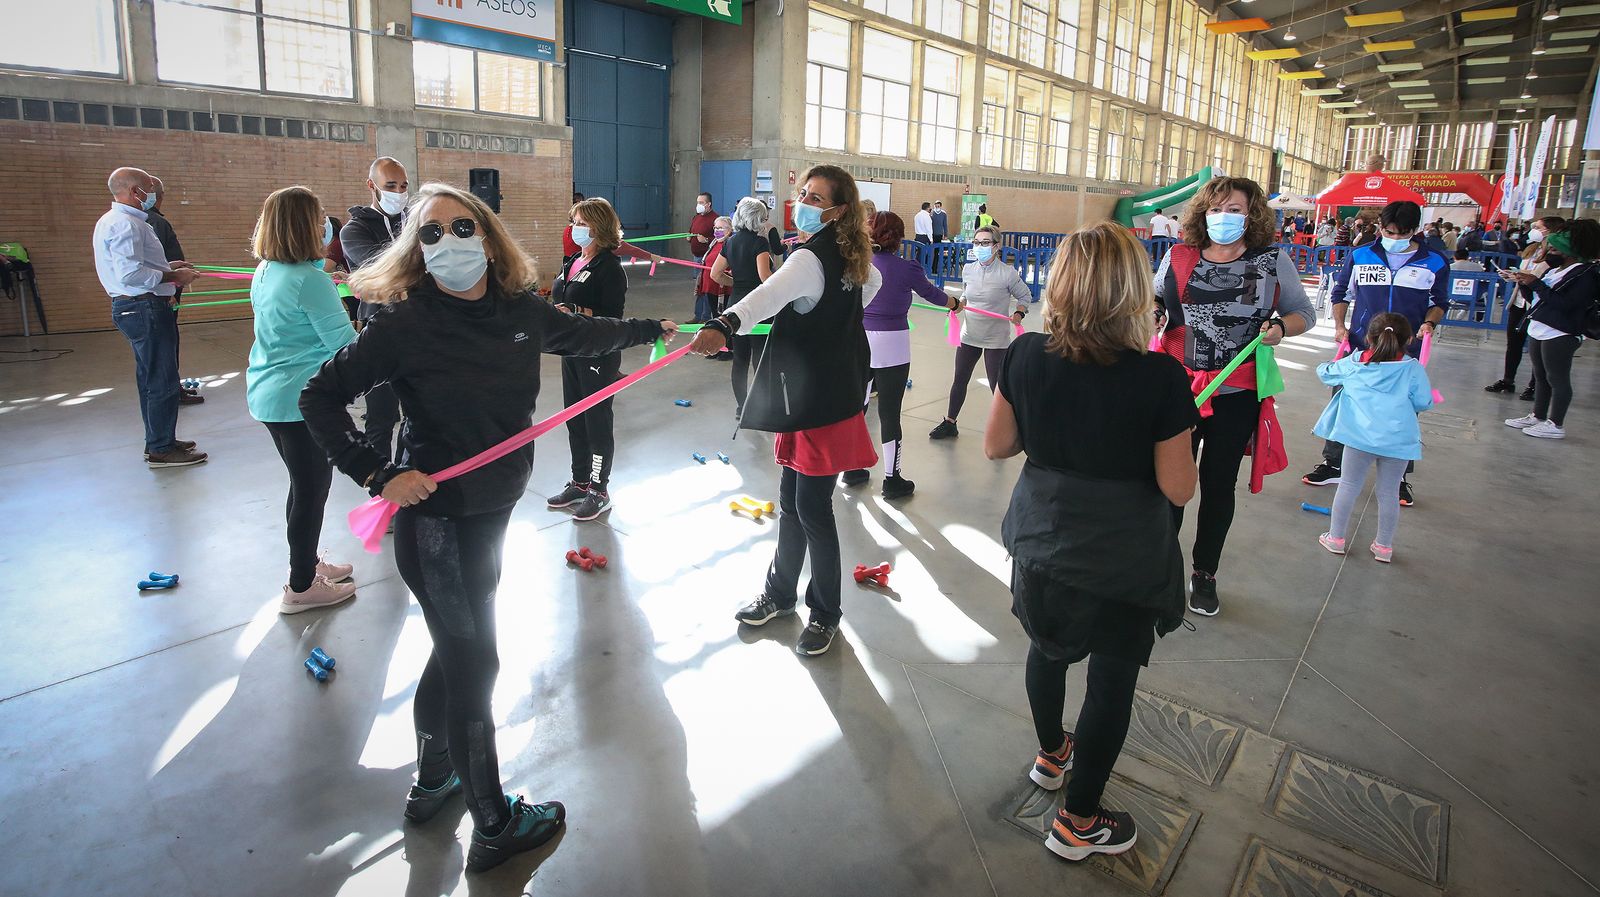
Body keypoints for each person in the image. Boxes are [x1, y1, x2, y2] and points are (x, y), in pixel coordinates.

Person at [300, 182, 673, 872]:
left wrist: (660, 331)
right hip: (434, 520)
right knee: (476, 660)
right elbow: (318, 396)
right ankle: (494, 824)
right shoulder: (403, 324)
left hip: (492, 512)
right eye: (431, 233)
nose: (448, 242)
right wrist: (377, 473)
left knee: (453, 651)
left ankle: (434, 778)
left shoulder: (520, 311)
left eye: (461, 226)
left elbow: (588, 334)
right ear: (416, 249)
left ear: (488, 235)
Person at [983, 222, 1197, 863]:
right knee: (1110, 680)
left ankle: (1052, 756)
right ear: (1134, 293)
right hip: (1121, 559)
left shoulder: (1025, 356)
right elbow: (1179, 489)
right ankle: (1079, 820)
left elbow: (998, 445)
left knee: (1046, 651)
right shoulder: (1160, 378)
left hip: (1043, 542)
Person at [688, 165, 883, 657]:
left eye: (815, 197)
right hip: (819, 399)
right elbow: (868, 290)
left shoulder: (809, 260)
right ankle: (779, 594)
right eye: (802, 193)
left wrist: (722, 324)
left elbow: (763, 298)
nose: (803, 203)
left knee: (813, 510)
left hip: (819, 406)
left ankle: (826, 613)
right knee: (793, 503)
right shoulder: (853, 259)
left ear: (838, 211)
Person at [1152, 176, 1314, 617]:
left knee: (1218, 483)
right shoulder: (1179, 256)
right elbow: (1156, 301)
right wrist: (1152, 312)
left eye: (1236, 209)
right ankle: (1161, 568)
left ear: (1252, 214)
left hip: (1236, 391)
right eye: (1217, 208)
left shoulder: (1271, 261)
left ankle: (1204, 573)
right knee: (1169, 482)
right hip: (1180, 387)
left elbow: (1305, 312)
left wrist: (1281, 329)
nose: (1225, 216)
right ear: (1203, 212)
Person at [245, 186, 359, 612]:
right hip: (298, 400)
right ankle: (300, 586)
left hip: (271, 393)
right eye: (319, 217)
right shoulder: (308, 281)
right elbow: (346, 346)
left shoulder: (267, 270)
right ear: (303, 225)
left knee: (302, 484)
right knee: (312, 490)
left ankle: (307, 565)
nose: (324, 225)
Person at [1302, 200, 1446, 507]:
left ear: (1415, 230)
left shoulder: (1434, 261)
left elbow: (1439, 300)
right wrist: (1340, 325)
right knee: (1344, 401)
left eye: (1402, 232)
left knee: (1403, 412)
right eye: (1389, 230)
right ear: (1380, 226)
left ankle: (1399, 477)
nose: (1394, 237)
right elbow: (1341, 293)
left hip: (1406, 353)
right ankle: (1334, 463)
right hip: (1361, 346)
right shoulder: (1361, 255)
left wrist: (1429, 323)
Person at [843, 211, 961, 498]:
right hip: (893, 345)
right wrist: (955, 303)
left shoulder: (856, 265)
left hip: (859, 340)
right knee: (890, 414)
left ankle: (852, 468)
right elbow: (933, 295)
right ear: (898, 236)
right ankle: (891, 479)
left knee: (857, 408)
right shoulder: (907, 267)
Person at [92, 167, 205, 468]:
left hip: (138, 306)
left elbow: (133, 266)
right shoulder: (127, 224)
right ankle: (161, 448)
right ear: (134, 192)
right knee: (161, 379)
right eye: (149, 188)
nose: (152, 194)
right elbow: (131, 274)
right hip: (144, 307)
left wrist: (169, 264)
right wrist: (172, 274)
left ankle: (159, 439)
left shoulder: (116, 221)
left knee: (151, 378)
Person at [1313, 313, 1433, 564]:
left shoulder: (1355, 363)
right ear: (1409, 340)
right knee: (1389, 493)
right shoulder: (1413, 369)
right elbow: (1424, 402)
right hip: (1398, 441)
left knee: (1348, 485)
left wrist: (1331, 362)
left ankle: (1335, 538)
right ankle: (1384, 546)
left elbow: (1325, 373)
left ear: (1368, 338)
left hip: (1359, 439)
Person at [545, 197, 637, 521]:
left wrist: (576, 312)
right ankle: (580, 481)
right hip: (571, 351)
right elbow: (559, 296)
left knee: (596, 423)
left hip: (598, 354)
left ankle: (600, 489)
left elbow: (613, 317)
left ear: (598, 227)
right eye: (574, 222)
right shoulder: (571, 261)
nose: (576, 228)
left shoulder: (609, 267)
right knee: (574, 418)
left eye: (581, 223)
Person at [928, 225, 1030, 439]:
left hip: (996, 338)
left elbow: (1024, 296)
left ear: (996, 246)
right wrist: (960, 304)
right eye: (976, 243)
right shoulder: (968, 269)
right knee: (960, 379)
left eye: (985, 243)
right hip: (970, 334)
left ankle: (1005, 430)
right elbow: (967, 294)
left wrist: (1019, 314)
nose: (980, 247)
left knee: (997, 386)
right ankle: (950, 422)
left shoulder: (1008, 273)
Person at [1502, 219, 1599, 440]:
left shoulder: (1586, 274)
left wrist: (1535, 283)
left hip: (1560, 332)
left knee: (1558, 378)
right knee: (1541, 376)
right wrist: (1525, 284)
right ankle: (1538, 415)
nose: (1551, 252)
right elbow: (1539, 299)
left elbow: (1566, 304)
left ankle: (1556, 423)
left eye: (1555, 248)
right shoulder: (1559, 270)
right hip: (1540, 327)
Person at [341, 156, 410, 464]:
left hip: (421, 329)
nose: (399, 191)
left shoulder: (416, 222)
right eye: (390, 186)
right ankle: (381, 487)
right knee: (381, 418)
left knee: (419, 416)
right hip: (380, 330)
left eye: (404, 185)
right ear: (372, 186)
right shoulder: (354, 230)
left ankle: (412, 480)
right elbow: (381, 270)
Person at [712, 198, 779, 416]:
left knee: (740, 360)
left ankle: (742, 407)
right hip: (758, 307)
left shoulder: (730, 242)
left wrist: (738, 283)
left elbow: (715, 274)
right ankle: (760, 407)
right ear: (758, 219)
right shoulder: (760, 243)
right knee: (760, 359)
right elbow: (765, 277)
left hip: (735, 307)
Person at [145, 176, 203, 407]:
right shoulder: (154, 222)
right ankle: (171, 391)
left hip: (164, 289)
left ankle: (172, 388)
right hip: (162, 293)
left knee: (167, 345)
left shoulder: (151, 221)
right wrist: (167, 289)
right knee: (166, 346)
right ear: (160, 196)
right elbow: (156, 261)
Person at [694, 215, 733, 328]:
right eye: (715, 228)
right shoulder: (715, 242)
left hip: (722, 286)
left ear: (730, 229)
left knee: (722, 315)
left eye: (720, 228)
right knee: (714, 313)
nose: (717, 230)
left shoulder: (730, 243)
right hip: (710, 285)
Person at [688, 191, 718, 320]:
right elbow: (691, 231)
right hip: (697, 258)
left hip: (708, 258)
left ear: (708, 204)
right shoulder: (696, 217)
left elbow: (720, 238)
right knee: (698, 288)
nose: (698, 205)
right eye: (697, 202)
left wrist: (706, 240)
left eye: (701, 203)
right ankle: (697, 315)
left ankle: (706, 316)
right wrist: (689, 237)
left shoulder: (716, 219)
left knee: (707, 289)